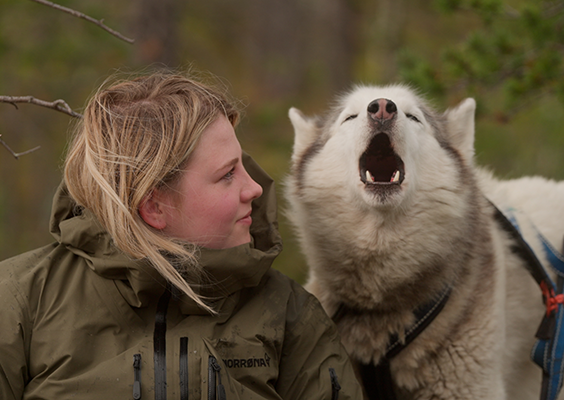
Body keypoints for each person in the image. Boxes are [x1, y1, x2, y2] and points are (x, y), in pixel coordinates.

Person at [0, 71, 363, 400]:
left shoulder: (290, 314)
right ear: (154, 206)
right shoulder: (20, 303)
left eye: (243, 165)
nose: (254, 188)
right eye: (227, 175)